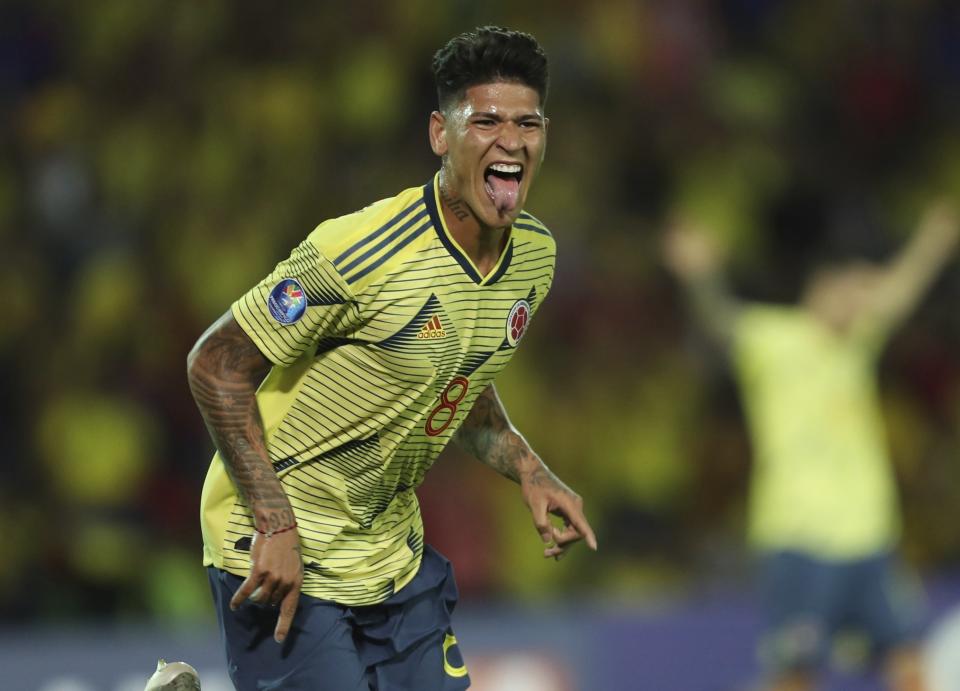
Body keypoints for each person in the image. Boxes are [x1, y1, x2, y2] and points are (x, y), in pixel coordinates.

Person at [186, 26, 596, 691]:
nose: (511, 140)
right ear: (440, 134)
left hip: (388, 554)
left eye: (528, 123)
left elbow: (457, 376)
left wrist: (528, 465)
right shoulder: (362, 250)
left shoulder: (535, 259)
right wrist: (274, 518)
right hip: (279, 544)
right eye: (485, 120)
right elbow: (215, 361)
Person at [662, 199, 959, 691]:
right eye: (857, 288)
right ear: (823, 289)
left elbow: (897, 295)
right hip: (799, 538)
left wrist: (932, 242)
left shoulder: (856, 344)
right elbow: (721, 322)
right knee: (796, 671)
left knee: (907, 658)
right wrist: (699, 275)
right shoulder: (775, 340)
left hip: (869, 538)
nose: (866, 300)